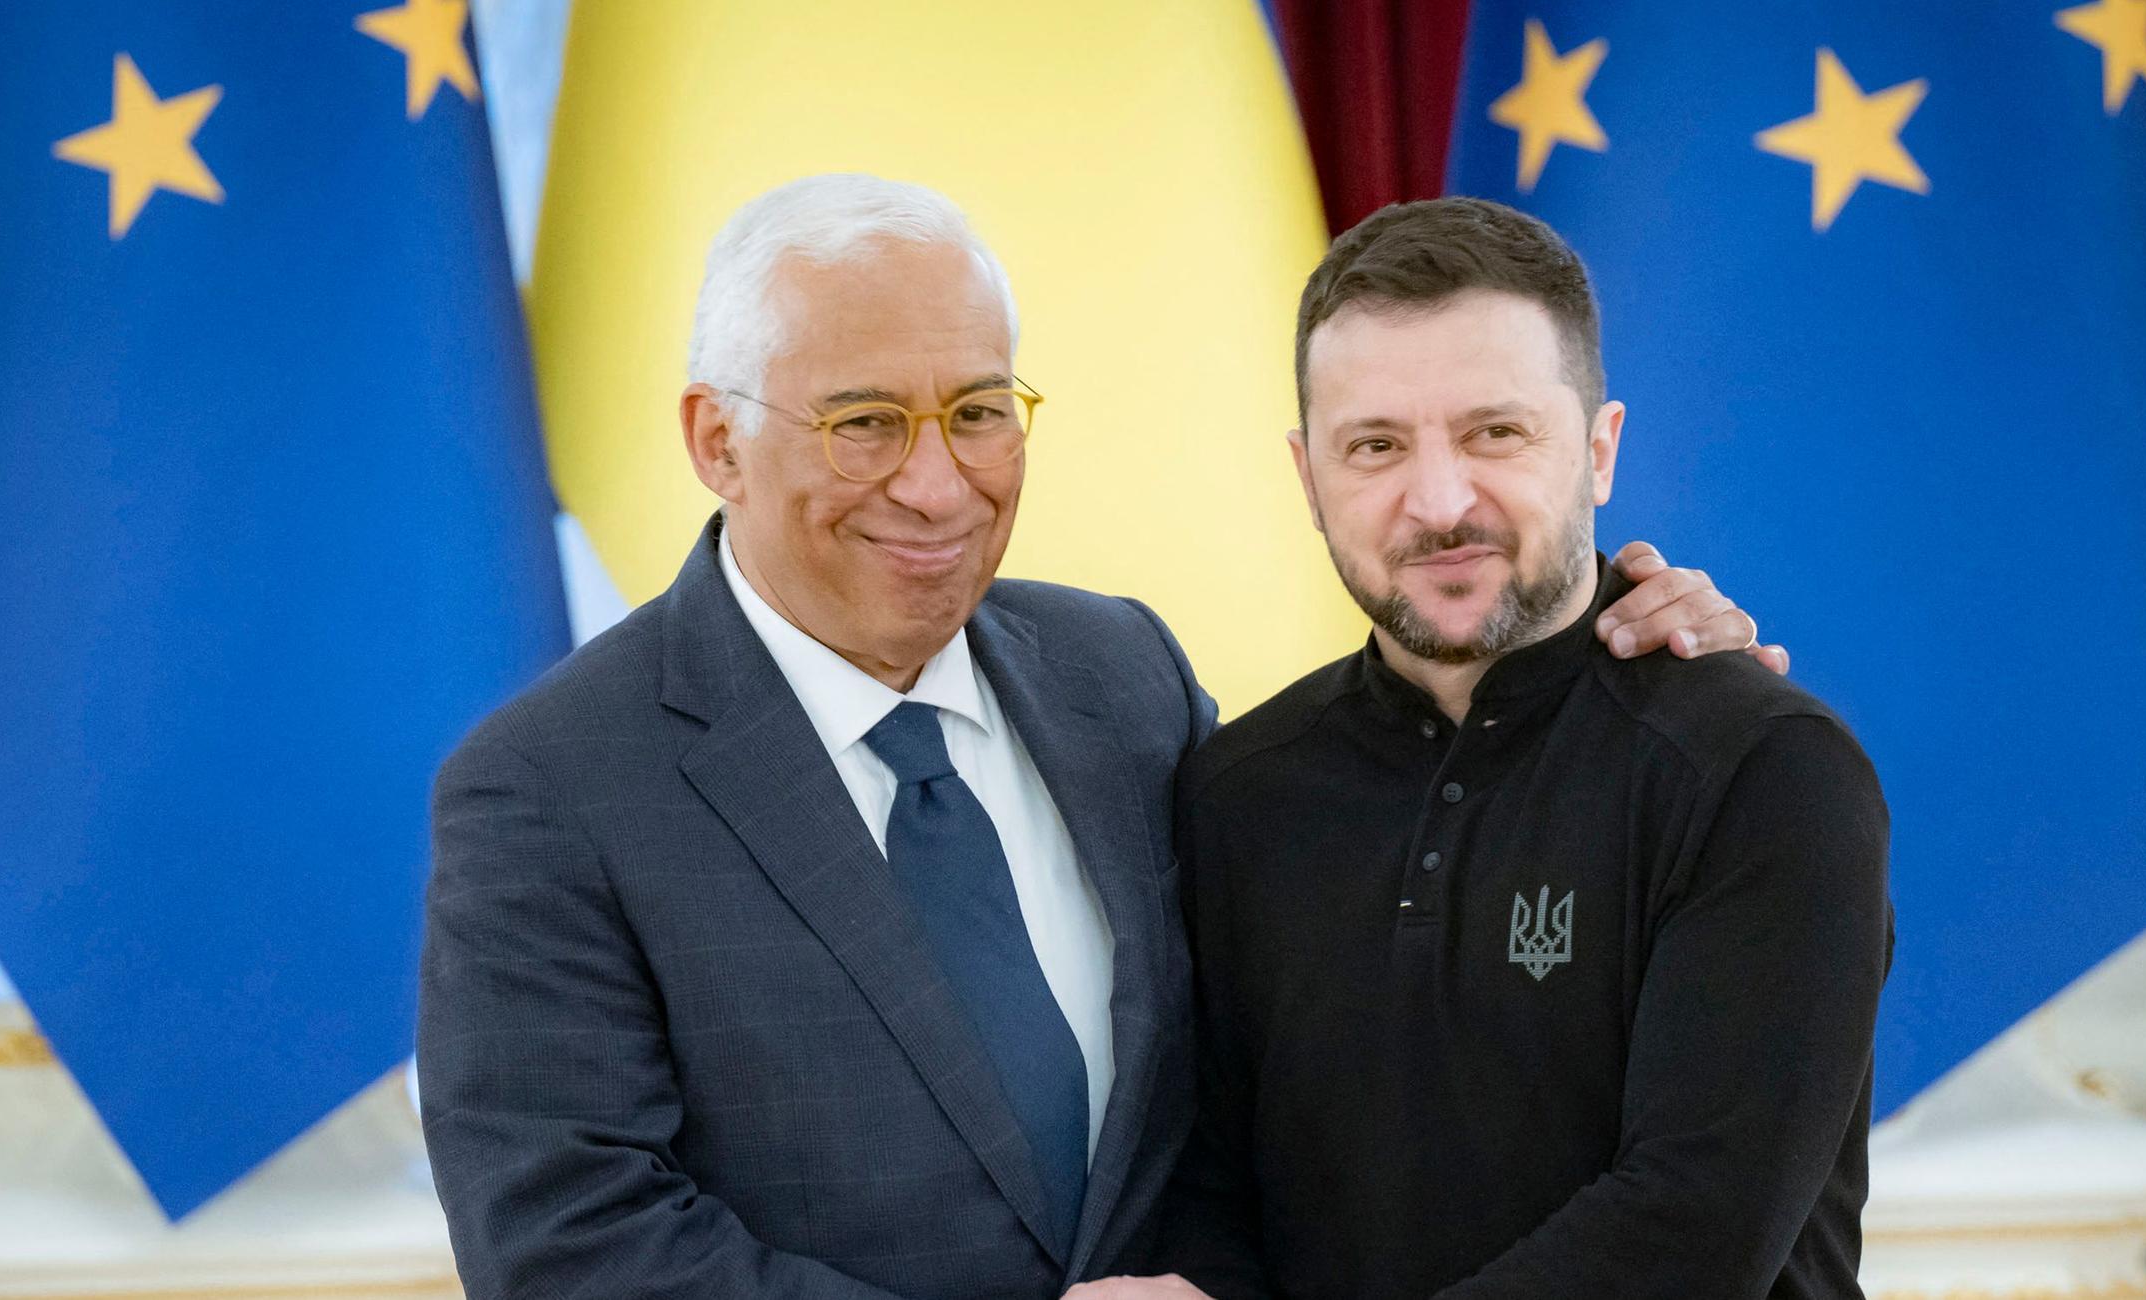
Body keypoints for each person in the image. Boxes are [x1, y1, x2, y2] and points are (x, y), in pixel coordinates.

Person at [417, 174, 1779, 1298]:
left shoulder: (1118, 676)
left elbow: (1267, 1063)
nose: (937, 479)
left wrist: (1622, 662)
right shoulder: (549, 789)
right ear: (718, 439)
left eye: (978, 411)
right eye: (864, 424)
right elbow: (570, 1250)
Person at [1114, 198, 1892, 1300]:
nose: (1437, 502)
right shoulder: (1239, 790)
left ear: (1598, 448)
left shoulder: (1761, 769)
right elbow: (1205, 1191)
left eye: (1494, 432)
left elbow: (1691, 1228)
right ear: (1305, 478)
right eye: (1374, 445)